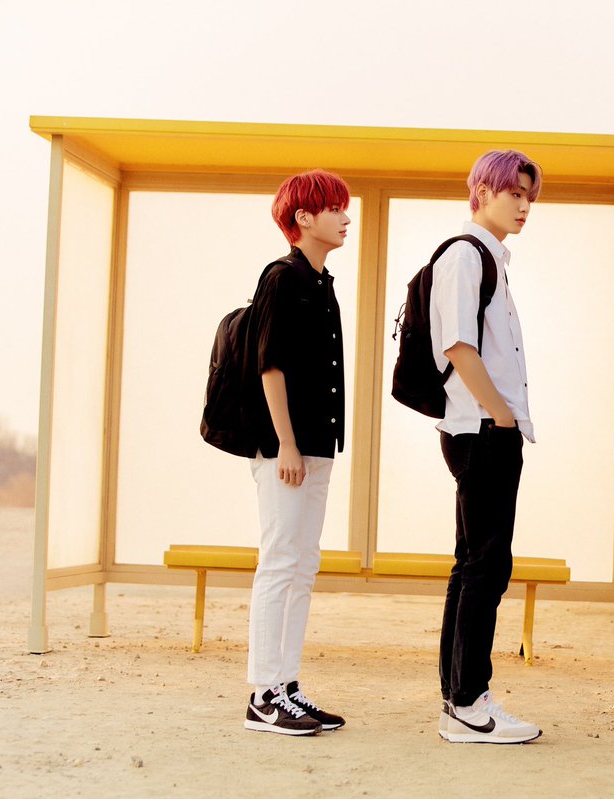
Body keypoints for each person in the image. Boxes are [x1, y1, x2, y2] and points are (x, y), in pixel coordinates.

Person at [430, 150, 544, 744]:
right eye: (513, 194)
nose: (524, 206)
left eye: (528, 196)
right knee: (486, 567)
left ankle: (459, 698)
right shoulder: (466, 255)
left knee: (473, 564)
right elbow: (457, 345)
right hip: (481, 430)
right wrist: (500, 414)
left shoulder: (490, 258)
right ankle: (469, 703)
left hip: (486, 429)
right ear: (482, 192)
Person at [242, 169, 351, 736]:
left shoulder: (323, 282)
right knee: (280, 562)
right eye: (335, 208)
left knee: (303, 565)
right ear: (303, 218)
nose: (346, 217)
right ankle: (263, 695)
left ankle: (286, 685)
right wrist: (285, 442)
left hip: (318, 444)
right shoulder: (282, 277)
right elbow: (271, 365)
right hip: (286, 448)